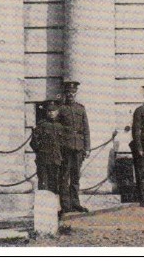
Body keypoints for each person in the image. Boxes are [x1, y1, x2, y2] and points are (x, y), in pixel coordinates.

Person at [57, 81, 90, 213]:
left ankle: (75, 204)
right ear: (65, 93)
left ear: (76, 93)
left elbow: (86, 129)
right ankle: (65, 206)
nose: (71, 94)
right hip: (65, 147)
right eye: (68, 92)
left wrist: (87, 147)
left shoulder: (80, 109)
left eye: (73, 92)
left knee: (76, 177)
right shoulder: (61, 109)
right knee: (64, 177)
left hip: (78, 147)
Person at [30, 100, 66, 195]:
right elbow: (33, 143)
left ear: (57, 112)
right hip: (43, 160)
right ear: (46, 112)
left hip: (57, 160)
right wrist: (40, 152)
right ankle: (43, 208)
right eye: (49, 111)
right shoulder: (41, 125)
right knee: (43, 184)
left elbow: (64, 144)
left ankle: (53, 208)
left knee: (55, 184)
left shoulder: (61, 126)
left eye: (53, 111)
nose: (51, 113)